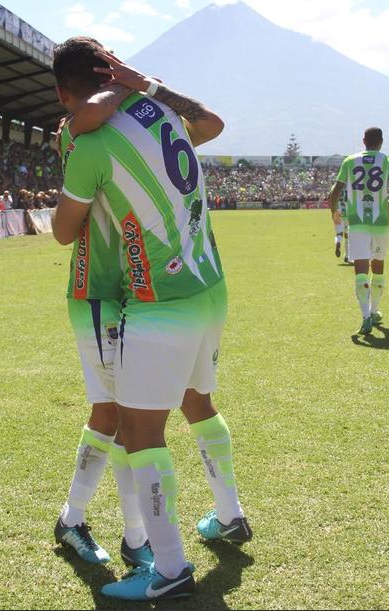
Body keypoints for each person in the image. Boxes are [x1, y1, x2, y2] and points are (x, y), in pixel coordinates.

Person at [51, 37, 249, 602]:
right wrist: (140, 84)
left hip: (151, 296)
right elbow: (209, 122)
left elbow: (63, 225)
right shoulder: (155, 110)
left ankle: (148, 550)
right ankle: (113, 529)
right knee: (136, 410)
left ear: (64, 92)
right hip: (131, 290)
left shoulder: (92, 134)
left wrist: (113, 93)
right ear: (109, 72)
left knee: (132, 420)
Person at [327, 127, 389, 336]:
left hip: (357, 223)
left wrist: (334, 212)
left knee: (361, 270)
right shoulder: (388, 161)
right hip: (380, 222)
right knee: (378, 266)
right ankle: (374, 310)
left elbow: (335, 192)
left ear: (363, 140)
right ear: (381, 142)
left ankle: (365, 316)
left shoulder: (350, 161)